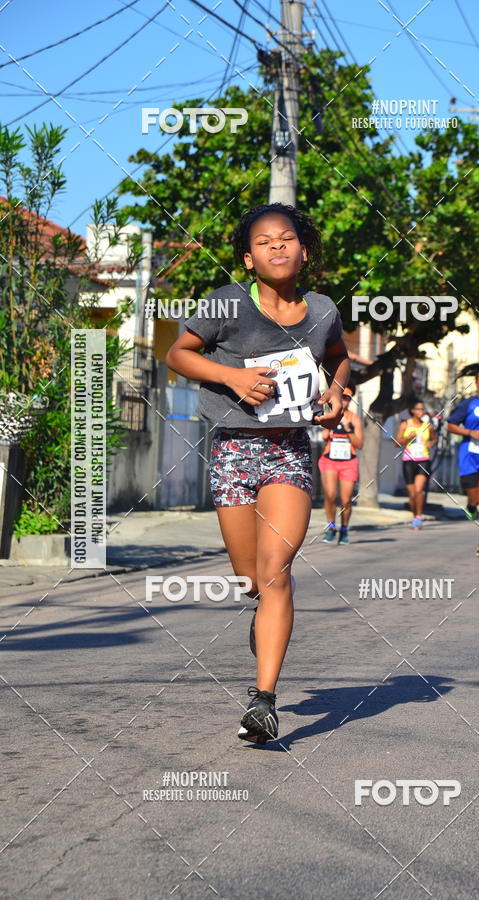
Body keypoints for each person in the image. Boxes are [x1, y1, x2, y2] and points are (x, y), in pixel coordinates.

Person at [165, 202, 350, 742]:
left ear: (303, 250)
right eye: (264, 242)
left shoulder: (321, 310)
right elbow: (179, 354)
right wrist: (233, 378)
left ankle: (263, 700)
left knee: (276, 572)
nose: (276, 246)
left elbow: (340, 358)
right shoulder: (225, 305)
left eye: (286, 238)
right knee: (251, 579)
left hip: (289, 450)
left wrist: (337, 393)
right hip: (231, 450)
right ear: (248, 259)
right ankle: (262, 610)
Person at [447, 365, 479, 557]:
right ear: (476, 384)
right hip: (469, 455)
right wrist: (469, 432)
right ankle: (470, 506)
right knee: (474, 497)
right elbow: (450, 426)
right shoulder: (468, 404)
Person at [318, 385, 363, 544]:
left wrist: (348, 430)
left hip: (348, 462)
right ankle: (331, 527)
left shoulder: (354, 419)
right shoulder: (331, 415)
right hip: (329, 460)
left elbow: (359, 444)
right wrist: (329, 429)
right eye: (342, 396)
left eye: (347, 398)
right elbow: (323, 435)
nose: (344, 400)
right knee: (330, 495)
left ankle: (344, 529)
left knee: (345, 500)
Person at [395, 399, 437, 529]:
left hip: (423, 460)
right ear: (412, 410)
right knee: (412, 495)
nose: (421, 411)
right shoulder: (405, 424)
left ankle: (419, 517)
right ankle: (415, 516)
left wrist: (431, 443)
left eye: (423, 409)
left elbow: (434, 438)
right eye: (418, 409)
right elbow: (396, 442)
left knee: (419, 491)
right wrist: (407, 438)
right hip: (409, 461)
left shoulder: (428, 426)